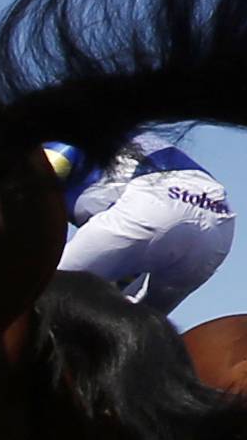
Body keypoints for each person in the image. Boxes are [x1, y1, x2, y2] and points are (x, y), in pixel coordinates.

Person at [50, 127, 236, 317]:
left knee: (40, 293)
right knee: (136, 331)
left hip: (152, 208)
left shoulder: (56, 138)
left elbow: (23, 196)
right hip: (218, 225)